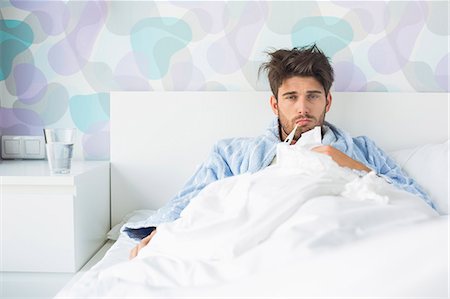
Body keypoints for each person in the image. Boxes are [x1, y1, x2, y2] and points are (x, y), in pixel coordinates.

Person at [128, 44, 435, 259]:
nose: (303, 108)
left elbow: (414, 200)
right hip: (257, 240)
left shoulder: (362, 149)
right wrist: (162, 234)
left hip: (336, 234)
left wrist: (343, 161)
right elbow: (193, 201)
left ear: (328, 102)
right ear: (275, 104)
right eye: (291, 97)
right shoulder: (232, 153)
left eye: (313, 96)